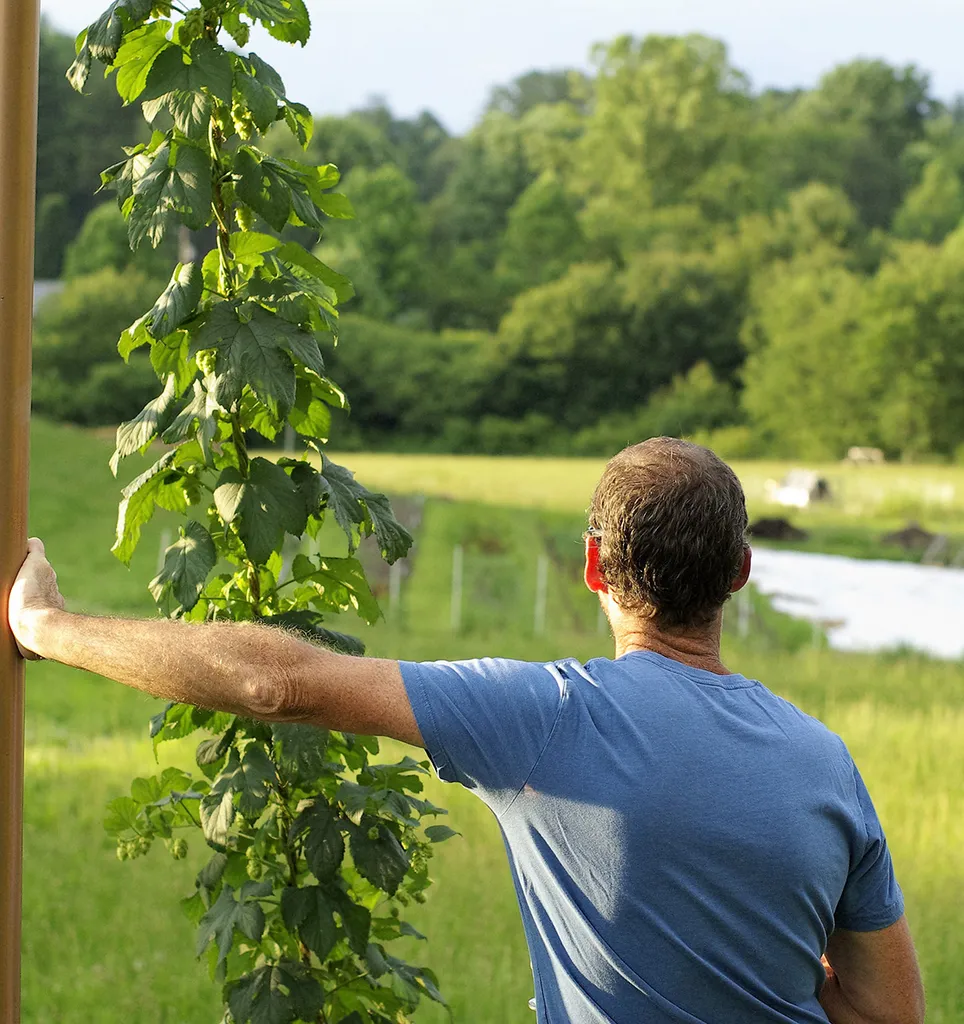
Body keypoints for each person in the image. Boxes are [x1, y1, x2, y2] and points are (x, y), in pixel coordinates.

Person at [8, 437, 923, 1024]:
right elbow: (891, 1016)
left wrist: (47, 628)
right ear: (742, 572)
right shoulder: (826, 764)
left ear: (595, 567)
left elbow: (274, 682)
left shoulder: (547, 719)